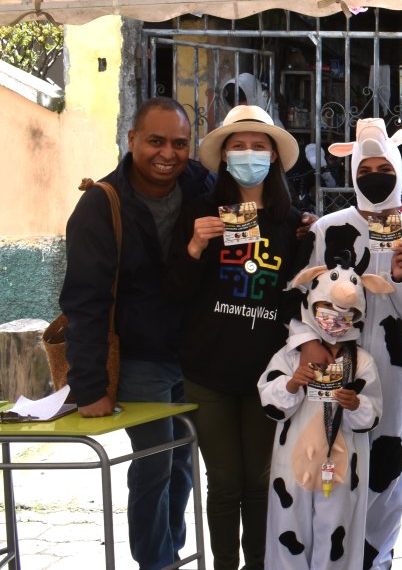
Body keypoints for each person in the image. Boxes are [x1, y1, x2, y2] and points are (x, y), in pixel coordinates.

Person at [59, 97, 211, 569]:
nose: (168, 153)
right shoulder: (100, 204)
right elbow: (86, 300)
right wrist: (90, 387)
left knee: (184, 464)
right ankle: (157, 561)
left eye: (180, 143)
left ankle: (171, 546)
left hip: (191, 352)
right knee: (154, 466)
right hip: (139, 358)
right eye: (156, 141)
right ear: (132, 140)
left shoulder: (200, 184)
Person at [165, 105, 306, 570]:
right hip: (208, 374)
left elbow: (298, 300)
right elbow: (176, 290)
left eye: (258, 146)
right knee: (224, 483)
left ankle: (260, 564)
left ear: (274, 157)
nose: (248, 154)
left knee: (263, 481)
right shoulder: (202, 212)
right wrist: (195, 246)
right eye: (238, 146)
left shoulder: (293, 222)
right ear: (224, 155)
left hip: (270, 376)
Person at [287, 118, 402, 569]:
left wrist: (401, 277)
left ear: (399, 169)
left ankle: (377, 556)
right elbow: (307, 300)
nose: (375, 176)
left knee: (389, 459)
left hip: (392, 364)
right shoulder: (328, 228)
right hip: (335, 362)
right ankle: (330, 554)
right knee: (334, 455)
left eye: (385, 167)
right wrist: (312, 344)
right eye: (364, 170)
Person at [258, 254, 386, 570]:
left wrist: (356, 405)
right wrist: (291, 385)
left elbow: (372, 413)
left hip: (342, 467)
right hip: (293, 467)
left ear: (358, 315)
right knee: (290, 529)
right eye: (327, 309)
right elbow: (270, 401)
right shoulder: (291, 356)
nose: (335, 318)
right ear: (313, 305)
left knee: (336, 533)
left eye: (346, 313)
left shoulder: (362, 362)